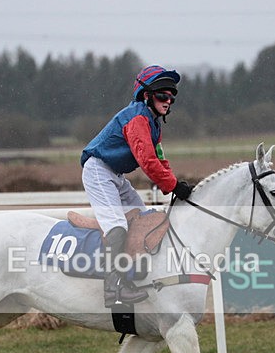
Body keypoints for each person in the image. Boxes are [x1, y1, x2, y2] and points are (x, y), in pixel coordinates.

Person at [81, 65, 193, 307]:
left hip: (116, 175)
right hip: (99, 171)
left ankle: (138, 276)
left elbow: (160, 159)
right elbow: (147, 161)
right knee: (118, 226)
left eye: (172, 97)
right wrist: (173, 186)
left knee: (145, 220)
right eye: (163, 95)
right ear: (146, 96)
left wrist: (175, 184)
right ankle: (114, 287)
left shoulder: (154, 124)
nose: (168, 101)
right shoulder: (137, 118)